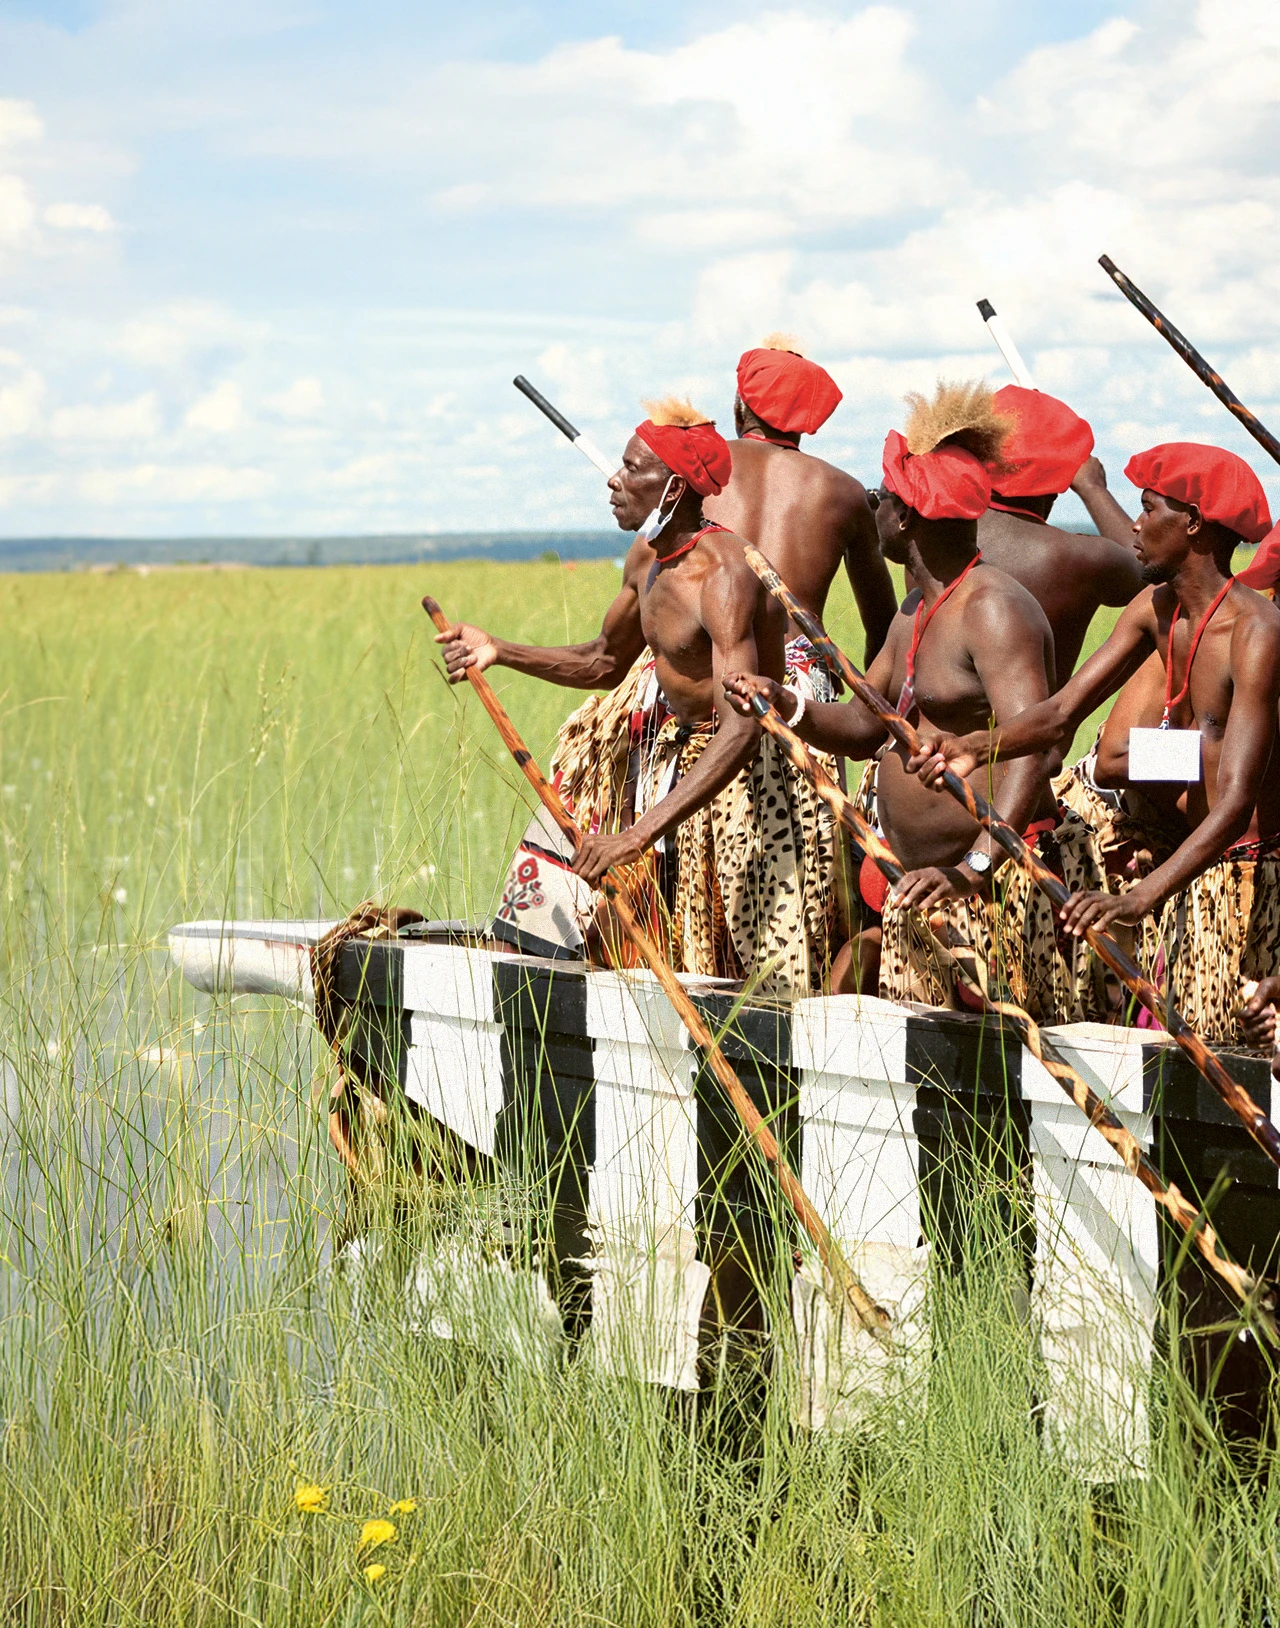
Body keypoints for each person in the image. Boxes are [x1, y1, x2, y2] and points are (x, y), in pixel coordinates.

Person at [724, 380, 1104, 1022]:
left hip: (999, 890)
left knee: (997, 1087)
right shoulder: (916, 609)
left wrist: (978, 867)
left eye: (883, 498)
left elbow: (1032, 749)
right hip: (927, 886)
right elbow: (868, 726)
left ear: (905, 519)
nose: (870, 506)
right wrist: (784, 704)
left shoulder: (992, 609)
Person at [436, 397, 839, 997]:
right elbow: (603, 660)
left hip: (743, 773)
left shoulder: (724, 574)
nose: (614, 481)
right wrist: (498, 649)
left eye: (630, 470)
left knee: (756, 987)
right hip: (669, 751)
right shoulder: (646, 559)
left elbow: (742, 727)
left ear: (673, 488)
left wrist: (636, 836)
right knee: (574, 808)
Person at [910, 441, 1280, 1043]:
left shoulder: (1258, 633)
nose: (1134, 524)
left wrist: (1141, 898)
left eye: (1149, 509)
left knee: (1219, 1071)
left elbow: (1235, 799)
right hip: (1186, 867)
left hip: (1242, 877)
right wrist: (979, 746)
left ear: (1192, 524)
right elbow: (1062, 718)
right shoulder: (1153, 608)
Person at [703, 334, 897, 664]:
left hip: (699, 676)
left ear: (739, 408)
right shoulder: (845, 491)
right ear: (808, 419)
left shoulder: (699, 468)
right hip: (795, 688)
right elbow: (883, 630)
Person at [975, 387, 1145, 682]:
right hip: (1036, 726)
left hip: (916, 728)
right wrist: (1094, 488)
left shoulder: (930, 539)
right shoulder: (1081, 557)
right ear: (1060, 482)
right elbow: (1153, 572)